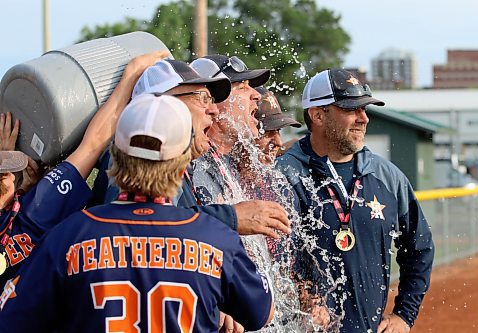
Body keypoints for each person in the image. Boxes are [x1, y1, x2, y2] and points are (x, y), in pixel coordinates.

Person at [0, 94, 275, 332]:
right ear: (182, 167)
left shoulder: (68, 237)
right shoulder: (216, 239)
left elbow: (12, 322)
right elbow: (262, 313)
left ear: (115, 161)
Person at [276, 69, 434, 333]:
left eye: (365, 109)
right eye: (351, 109)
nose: (364, 118)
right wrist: (299, 295)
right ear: (318, 115)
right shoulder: (285, 176)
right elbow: (267, 257)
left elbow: (419, 248)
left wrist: (404, 314)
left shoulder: (387, 176)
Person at [0, 50, 168, 288]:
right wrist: (131, 75)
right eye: (7, 172)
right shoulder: (34, 212)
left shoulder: (21, 211)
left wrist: (22, 187)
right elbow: (92, 145)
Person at [91, 59, 291, 240]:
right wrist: (231, 218)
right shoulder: (132, 155)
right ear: (163, 103)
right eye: (203, 98)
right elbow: (141, 227)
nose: (213, 109)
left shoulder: (185, 162)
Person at [188, 54, 270, 204]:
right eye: (242, 87)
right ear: (213, 99)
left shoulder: (238, 166)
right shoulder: (191, 164)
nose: (257, 95)